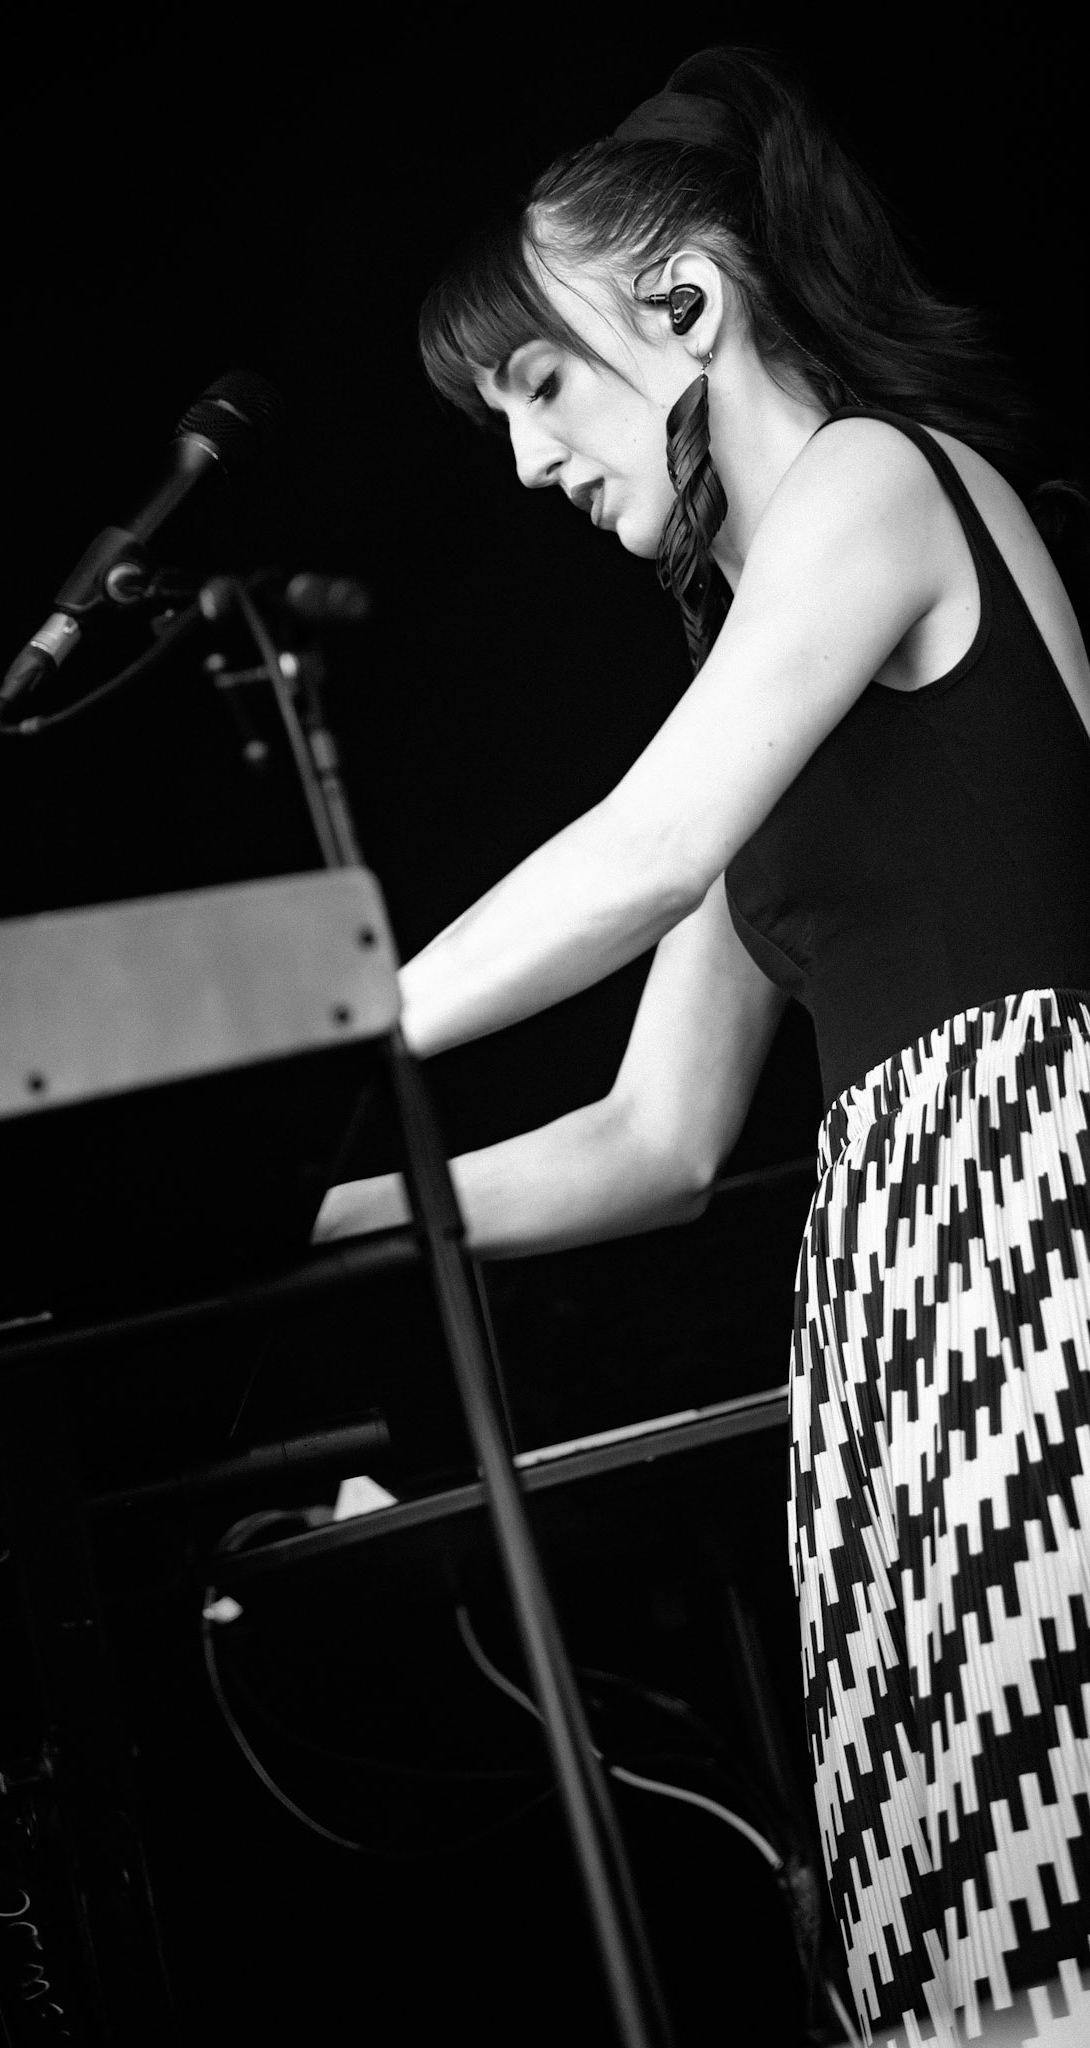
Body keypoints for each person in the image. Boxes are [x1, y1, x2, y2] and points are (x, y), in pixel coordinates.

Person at [313, 43, 1090, 2048]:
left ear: (682, 302)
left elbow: (646, 853)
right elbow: (653, 1136)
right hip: (899, 1286)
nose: (524, 465)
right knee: (963, 1912)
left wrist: (325, 1039)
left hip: (1029, 1224)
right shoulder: (756, 623)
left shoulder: (872, 480)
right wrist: (301, 1204)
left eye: (536, 386)